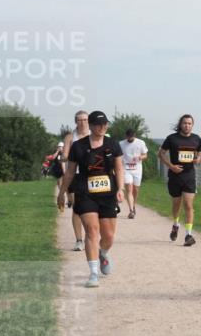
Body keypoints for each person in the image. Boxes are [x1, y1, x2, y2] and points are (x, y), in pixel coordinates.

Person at [57, 111, 124, 288]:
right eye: (98, 124)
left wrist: (121, 189)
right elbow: (70, 172)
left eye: (105, 124)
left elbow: (119, 168)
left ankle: (103, 253)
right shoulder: (78, 146)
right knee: (92, 231)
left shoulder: (113, 144)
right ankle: (93, 273)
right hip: (85, 192)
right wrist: (62, 192)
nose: (102, 127)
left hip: (108, 193)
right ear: (91, 126)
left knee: (108, 236)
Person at [158, 114, 201, 246]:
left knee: (189, 205)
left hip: (189, 176)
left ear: (192, 125)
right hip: (175, 177)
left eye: (190, 123)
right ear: (180, 124)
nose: (187, 125)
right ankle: (175, 224)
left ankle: (188, 235)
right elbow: (160, 154)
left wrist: (199, 158)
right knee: (176, 204)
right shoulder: (172, 139)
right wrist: (171, 166)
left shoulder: (196, 139)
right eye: (185, 123)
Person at [62, 110, 90, 251]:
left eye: (85, 119)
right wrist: (66, 156)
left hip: (93, 175)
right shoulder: (70, 137)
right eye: (79, 120)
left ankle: (90, 237)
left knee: (93, 208)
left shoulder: (94, 135)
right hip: (76, 175)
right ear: (75, 122)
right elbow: (65, 156)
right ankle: (79, 240)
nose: (82, 122)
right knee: (77, 208)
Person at [118, 129, 149, 219]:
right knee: (129, 189)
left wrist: (140, 157)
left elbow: (145, 155)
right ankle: (131, 210)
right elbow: (118, 156)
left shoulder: (140, 143)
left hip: (137, 168)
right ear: (126, 136)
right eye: (128, 137)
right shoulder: (121, 144)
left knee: (135, 189)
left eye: (131, 137)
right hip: (126, 168)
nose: (130, 138)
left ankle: (133, 205)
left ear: (134, 135)